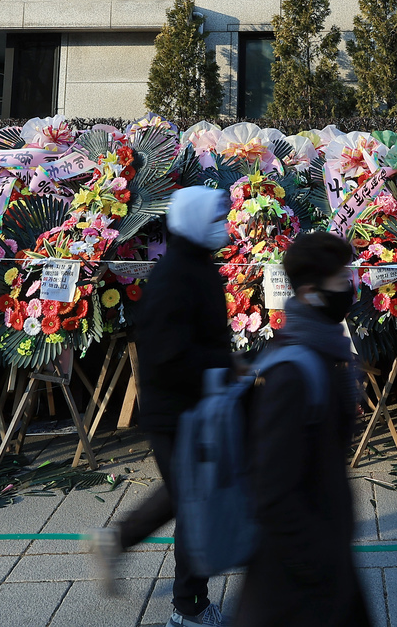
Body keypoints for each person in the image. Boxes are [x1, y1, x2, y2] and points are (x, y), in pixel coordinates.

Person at [90, 185, 233, 626]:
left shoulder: (194, 266)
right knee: (195, 502)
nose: (222, 228)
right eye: (214, 220)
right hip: (177, 411)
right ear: (193, 224)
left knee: (185, 495)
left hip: (188, 405)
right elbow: (172, 354)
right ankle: (189, 609)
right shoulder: (177, 277)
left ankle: (115, 541)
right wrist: (223, 371)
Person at [233, 230, 371, 627]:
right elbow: (273, 491)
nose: (349, 287)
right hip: (296, 574)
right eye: (341, 280)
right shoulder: (295, 369)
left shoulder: (325, 351)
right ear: (310, 292)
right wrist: (316, 563)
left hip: (324, 551)